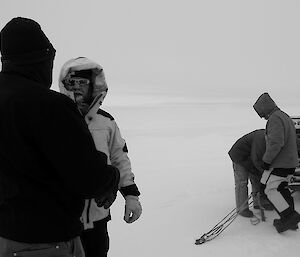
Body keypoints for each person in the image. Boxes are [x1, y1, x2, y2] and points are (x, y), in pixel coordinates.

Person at [0, 17, 120, 257]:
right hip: (44, 241)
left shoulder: (105, 122)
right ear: (42, 60)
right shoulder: (49, 106)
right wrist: (111, 176)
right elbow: (89, 178)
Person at [59, 57, 142, 257]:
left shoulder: (107, 122)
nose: (77, 87)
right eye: (73, 82)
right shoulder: (55, 118)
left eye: (83, 82)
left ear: (94, 85)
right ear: (65, 85)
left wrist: (131, 195)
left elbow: (119, 158)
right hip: (62, 222)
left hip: (98, 219)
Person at [253, 92, 300, 233]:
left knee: (271, 190)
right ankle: (290, 220)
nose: (262, 117)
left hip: (281, 163)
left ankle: (289, 216)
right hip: (290, 162)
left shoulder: (275, 119)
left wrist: (266, 161)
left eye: (262, 113)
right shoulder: (284, 116)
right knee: (282, 189)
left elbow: (275, 143)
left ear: (266, 108)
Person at [228, 129, 274, 218]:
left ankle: (259, 203)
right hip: (239, 156)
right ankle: (242, 209)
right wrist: (264, 173)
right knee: (242, 182)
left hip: (250, 158)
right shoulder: (261, 139)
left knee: (257, 179)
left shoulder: (272, 138)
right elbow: (256, 159)